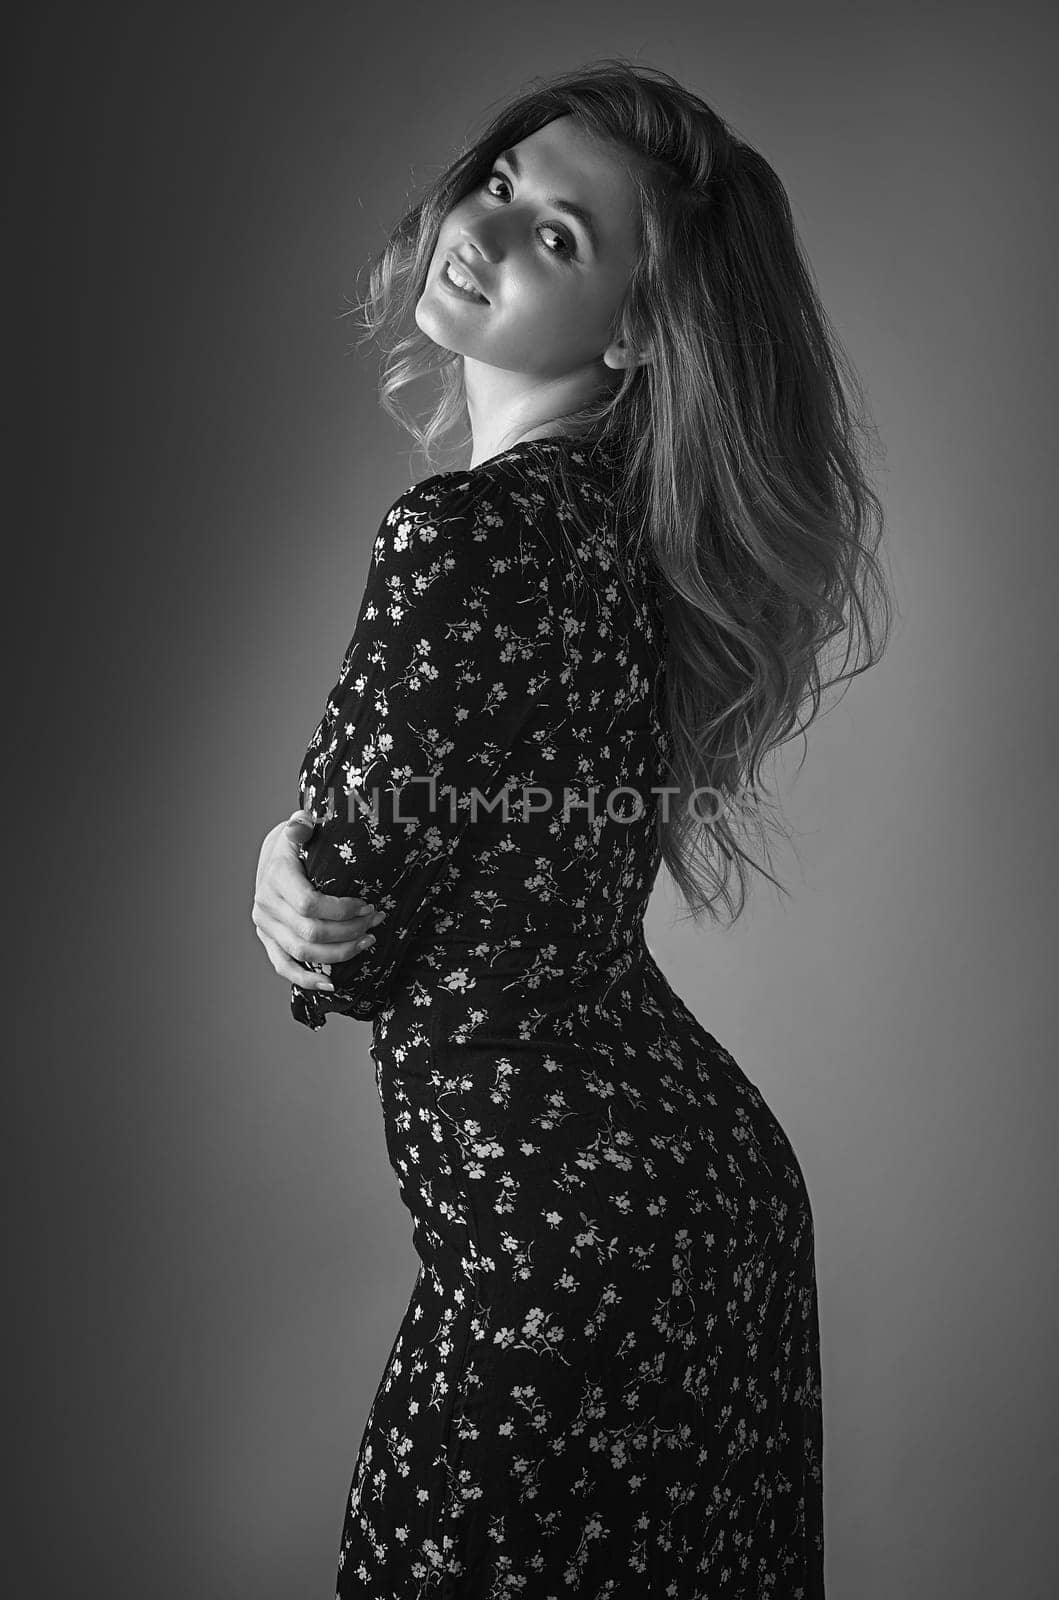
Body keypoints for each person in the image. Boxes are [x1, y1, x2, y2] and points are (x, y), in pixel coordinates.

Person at [251, 58, 892, 1598]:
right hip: (710, 1207)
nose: (489, 225)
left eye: (561, 234)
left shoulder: (462, 533)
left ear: (632, 329)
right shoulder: (620, 541)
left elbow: (355, 913)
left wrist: (285, 862)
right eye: (501, 184)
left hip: (565, 1252)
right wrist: (314, 855)